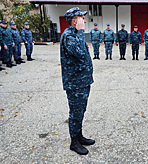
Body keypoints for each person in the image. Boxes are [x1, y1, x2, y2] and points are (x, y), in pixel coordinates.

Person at [60, 7, 95, 155]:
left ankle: (79, 136)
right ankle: (74, 142)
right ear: (74, 21)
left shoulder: (74, 34)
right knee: (75, 112)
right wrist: (81, 31)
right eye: (81, 18)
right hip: (75, 84)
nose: (84, 20)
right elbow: (80, 54)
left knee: (81, 111)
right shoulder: (69, 36)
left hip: (82, 81)